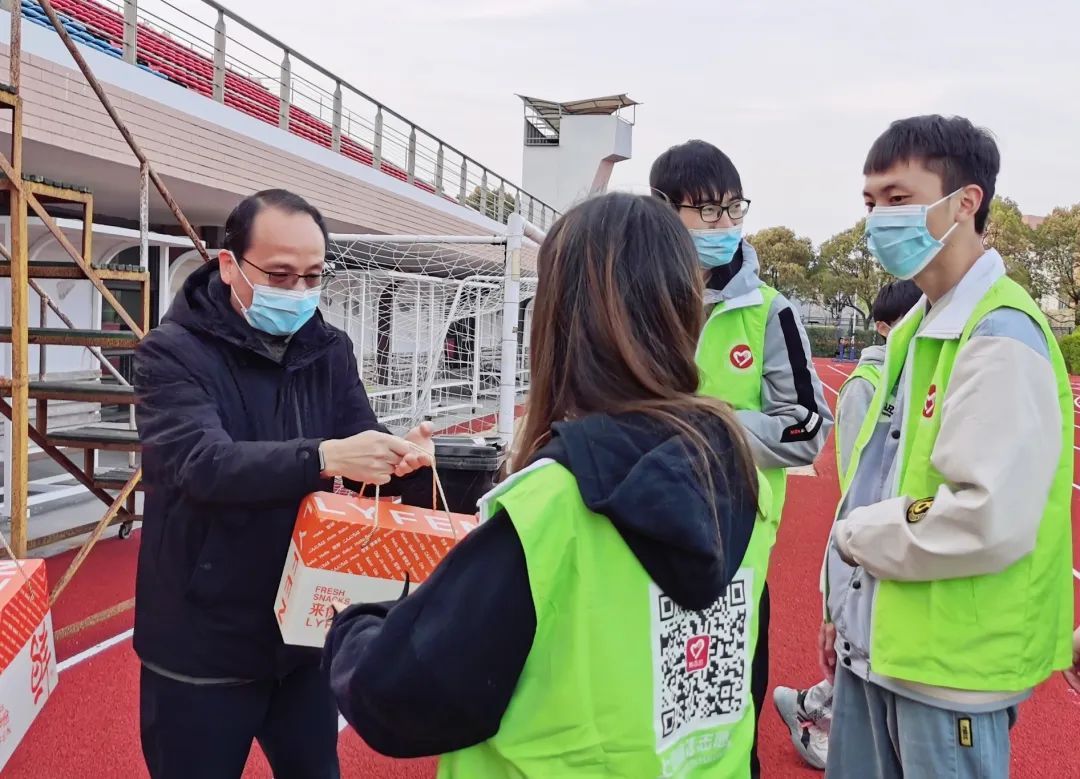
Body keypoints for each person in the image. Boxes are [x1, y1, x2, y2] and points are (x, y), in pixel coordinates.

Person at [323, 192, 770, 776]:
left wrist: (356, 624)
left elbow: (399, 701)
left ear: (558, 318)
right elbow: (745, 680)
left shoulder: (550, 508)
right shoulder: (735, 474)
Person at [133, 189, 434, 779]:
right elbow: (201, 462)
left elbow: (355, 441)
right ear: (228, 266)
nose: (297, 292)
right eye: (279, 274)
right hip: (202, 641)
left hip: (304, 631)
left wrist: (396, 456)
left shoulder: (328, 348)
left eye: (312, 276)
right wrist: (325, 456)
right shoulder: (170, 354)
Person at [823, 115, 1074, 778]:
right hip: (885, 651)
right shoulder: (923, 325)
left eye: (899, 199)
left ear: (966, 202)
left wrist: (854, 538)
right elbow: (881, 474)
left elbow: (984, 514)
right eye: (870, 203)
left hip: (948, 671)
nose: (877, 219)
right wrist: (846, 607)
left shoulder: (998, 332)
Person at [650, 139, 833, 775]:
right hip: (631, 539)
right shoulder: (633, 299)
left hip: (732, 552)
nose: (725, 225)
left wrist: (704, 423)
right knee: (643, 719)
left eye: (734, 209)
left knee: (724, 725)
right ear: (663, 210)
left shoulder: (769, 312)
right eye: (708, 212)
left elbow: (806, 429)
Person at [772, 279, 922, 770]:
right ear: (883, 328)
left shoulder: (917, 370)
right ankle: (813, 709)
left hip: (895, 532)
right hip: (866, 532)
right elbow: (860, 466)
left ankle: (811, 706)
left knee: (873, 643)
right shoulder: (865, 383)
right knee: (858, 641)